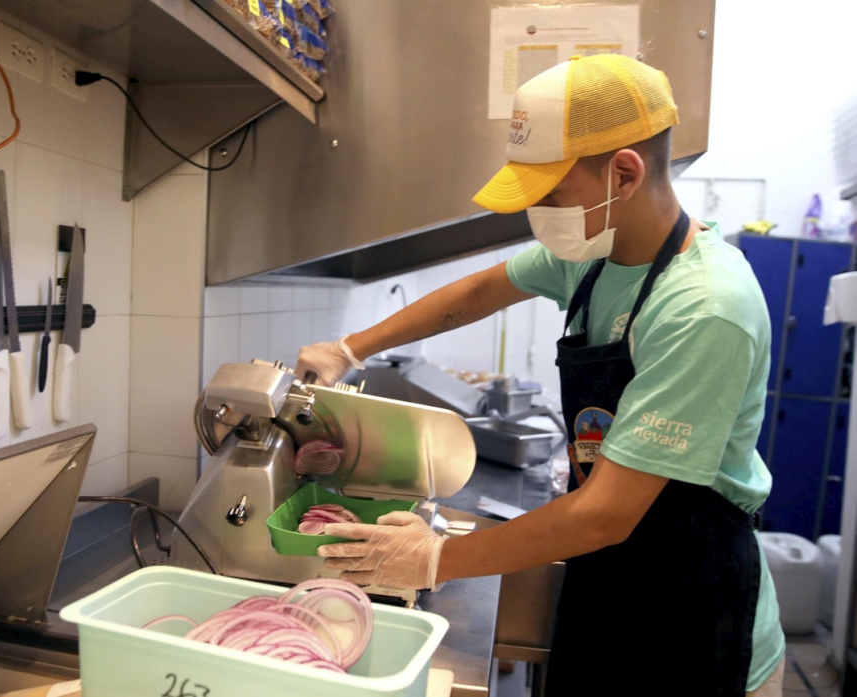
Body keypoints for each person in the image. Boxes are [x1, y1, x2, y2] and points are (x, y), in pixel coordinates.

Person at [295, 54, 785, 695]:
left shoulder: (706, 308)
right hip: (608, 575)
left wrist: (433, 559)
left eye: (550, 193)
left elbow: (606, 514)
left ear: (625, 173)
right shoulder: (599, 253)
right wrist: (349, 347)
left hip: (694, 604)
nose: (537, 212)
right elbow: (475, 291)